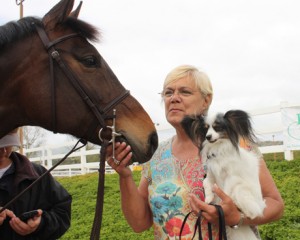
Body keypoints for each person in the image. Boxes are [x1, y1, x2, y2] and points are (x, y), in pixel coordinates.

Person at [106, 65, 284, 239]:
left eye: (184, 92)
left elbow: (275, 204)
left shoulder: (239, 146)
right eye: (168, 93)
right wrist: (125, 176)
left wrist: (237, 218)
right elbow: (139, 223)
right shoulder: (156, 155)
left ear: (206, 100)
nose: (174, 98)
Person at [0, 128, 72, 240]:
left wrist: (42, 224)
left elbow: (62, 212)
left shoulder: (38, 174)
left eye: (8, 143)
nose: (4, 151)